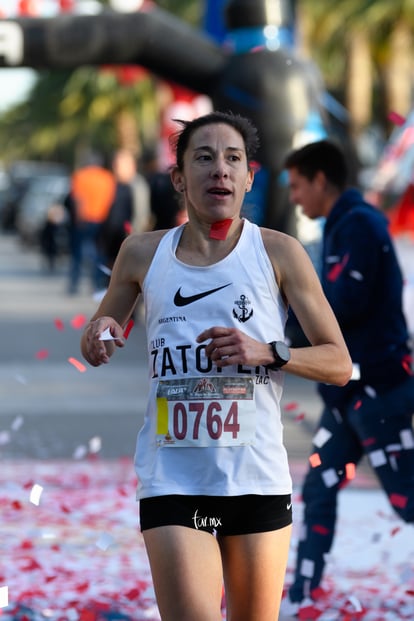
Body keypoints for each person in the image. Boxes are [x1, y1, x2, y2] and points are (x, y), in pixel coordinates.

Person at [80, 112, 351, 621]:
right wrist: (97, 337)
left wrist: (267, 351)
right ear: (179, 177)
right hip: (172, 477)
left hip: (255, 478)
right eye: (203, 157)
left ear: (250, 176)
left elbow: (338, 362)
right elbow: (99, 330)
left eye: (233, 159)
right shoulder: (141, 253)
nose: (219, 170)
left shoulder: (279, 252)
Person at [281, 139, 414, 616]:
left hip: (378, 391)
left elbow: (338, 307)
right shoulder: (342, 226)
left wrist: (283, 325)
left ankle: (303, 591)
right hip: (350, 393)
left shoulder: (359, 225)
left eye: (298, 186)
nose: (294, 197)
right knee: (319, 487)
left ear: (321, 180)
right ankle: (302, 593)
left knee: (409, 502)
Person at [66, 153, 116, 294]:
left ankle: (74, 284)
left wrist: (78, 218)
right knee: (99, 253)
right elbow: (111, 201)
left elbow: (77, 199)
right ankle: (97, 284)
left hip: (83, 219)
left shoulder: (79, 176)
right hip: (101, 220)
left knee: (77, 253)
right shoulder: (107, 177)